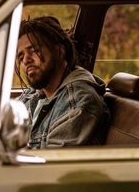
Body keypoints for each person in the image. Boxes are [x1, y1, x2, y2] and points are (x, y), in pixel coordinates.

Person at [16, 16, 110, 149]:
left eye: (34, 51)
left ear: (60, 51)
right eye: (21, 56)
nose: (26, 60)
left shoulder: (79, 102)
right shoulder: (32, 95)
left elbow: (51, 166)